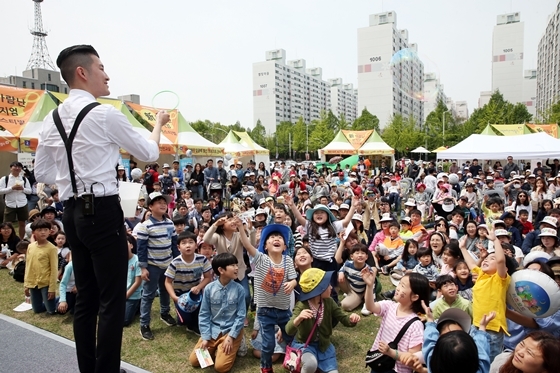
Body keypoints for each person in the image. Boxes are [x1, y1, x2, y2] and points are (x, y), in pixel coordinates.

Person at [34, 45, 167, 373]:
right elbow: (148, 152)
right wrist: (159, 123)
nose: (107, 75)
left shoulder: (51, 120)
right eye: (101, 67)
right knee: (111, 299)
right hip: (102, 210)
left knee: (88, 298)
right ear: (82, 72)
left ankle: (89, 368)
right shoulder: (105, 114)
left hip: (71, 214)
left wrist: (72, 171)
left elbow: (44, 175)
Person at [237, 223, 298, 373]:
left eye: (279, 238)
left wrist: (292, 283)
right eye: (272, 237)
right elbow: (247, 245)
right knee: (268, 343)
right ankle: (266, 367)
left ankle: (293, 361)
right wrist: (240, 228)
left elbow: (294, 279)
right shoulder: (261, 259)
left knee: (291, 337)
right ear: (265, 246)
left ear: (285, 246)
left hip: (284, 310)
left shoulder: (288, 260)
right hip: (265, 311)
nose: (276, 239)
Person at [286, 268, 360, 373]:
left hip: (324, 346)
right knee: (311, 364)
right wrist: (299, 318)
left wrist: (352, 320)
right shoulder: (302, 305)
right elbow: (288, 330)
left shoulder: (329, 302)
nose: (331, 287)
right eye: (327, 285)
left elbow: (343, 318)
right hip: (304, 344)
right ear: (318, 290)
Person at [188, 253, 246, 373]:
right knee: (194, 361)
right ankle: (217, 349)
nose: (236, 268)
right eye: (232, 265)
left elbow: (241, 316)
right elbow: (204, 314)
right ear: (221, 270)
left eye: (237, 264)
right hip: (212, 331)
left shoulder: (239, 289)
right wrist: (205, 337)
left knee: (220, 367)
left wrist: (230, 336)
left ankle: (236, 343)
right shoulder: (209, 289)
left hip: (230, 331)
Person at [459, 228, 510, 362]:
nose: (486, 260)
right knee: (474, 361)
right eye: (486, 258)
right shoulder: (482, 275)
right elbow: (470, 263)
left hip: (492, 329)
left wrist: (494, 240)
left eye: (491, 258)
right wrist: (463, 248)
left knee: (489, 362)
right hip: (476, 325)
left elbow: (500, 261)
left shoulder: (500, 279)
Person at [362, 271, 429, 373]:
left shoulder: (416, 325)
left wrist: (391, 352)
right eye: (399, 284)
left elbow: (412, 358)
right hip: (379, 360)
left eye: (403, 286)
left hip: (397, 370)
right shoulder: (389, 306)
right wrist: (369, 286)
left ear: (415, 297)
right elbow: (370, 306)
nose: (397, 288)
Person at [137, 192, 178, 340]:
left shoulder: (170, 223)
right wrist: (143, 268)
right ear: (150, 206)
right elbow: (141, 250)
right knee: (148, 295)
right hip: (152, 266)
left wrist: (176, 263)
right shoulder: (144, 226)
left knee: (165, 290)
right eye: (158, 202)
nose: (162, 204)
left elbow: (174, 245)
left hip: (167, 265)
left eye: (164, 202)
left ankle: (165, 313)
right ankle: (144, 324)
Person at [164, 231, 213, 334]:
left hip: (195, 292)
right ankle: (184, 319)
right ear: (178, 247)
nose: (187, 245)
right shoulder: (175, 263)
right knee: (183, 321)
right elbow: (167, 282)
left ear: (196, 245)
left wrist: (199, 287)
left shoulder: (202, 259)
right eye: (184, 243)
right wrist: (174, 297)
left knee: (198, 314)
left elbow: (208, 277)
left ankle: (194, 326)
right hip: (179, 294)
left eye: (191, 242)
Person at [24, 218, 58, 314]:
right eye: (39, 230)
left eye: (45, 230)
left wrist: (52, 289)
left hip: (45, 282)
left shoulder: (51, 248)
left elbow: (54, 269)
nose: (43, 232)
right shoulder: (31, 246)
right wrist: (26, 284)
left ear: (49, 232)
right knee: (37, 310)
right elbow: (28, 265)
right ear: (34, 232)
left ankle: (63, 299)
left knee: (51, 311)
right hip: (33, 282)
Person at [491, 331, 560, 373]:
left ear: (546, 369)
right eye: (522, 344)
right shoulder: (502, 361)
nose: (519, 352)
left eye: (529, 352)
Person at [0, 161, 32, 239]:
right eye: (15, 166)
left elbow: (30, 191)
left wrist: (23, 189)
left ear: (21, 169)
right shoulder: (5, 179)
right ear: (11, 168)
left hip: (22, 203)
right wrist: (12, 188)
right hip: (10, 203)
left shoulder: (24, 179)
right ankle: (9, 239)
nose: (17, 168)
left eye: (19, 167)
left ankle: (21, 240)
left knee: (22, 223)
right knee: (7, 224)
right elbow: (0, 191)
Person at [124, 234, 142, 327]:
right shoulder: (116, 260)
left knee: (124, 321)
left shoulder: (137, 261)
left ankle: (138, 306)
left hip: (132, 296)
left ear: (131, 245)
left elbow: (137, 282)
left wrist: (125, 296)